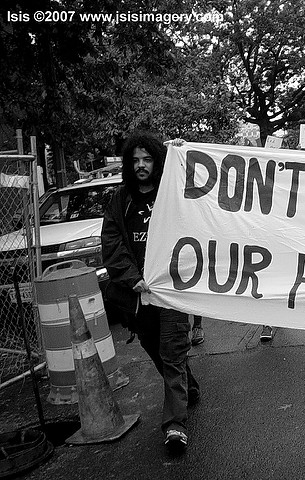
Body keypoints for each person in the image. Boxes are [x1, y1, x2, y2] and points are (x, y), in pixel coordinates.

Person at [101, 132, 200, 453]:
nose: (141, 165)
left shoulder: (173, 192)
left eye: (148, 159)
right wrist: (132, 278)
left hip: (171, 290)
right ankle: (188, 386)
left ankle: (175, 425)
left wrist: (183, 157)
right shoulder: (120, 200)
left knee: (172, 352)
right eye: (135, 160)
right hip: (138, 296)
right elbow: (112, 243)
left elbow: (202, 200)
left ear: (158, 162)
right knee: (155, 348)